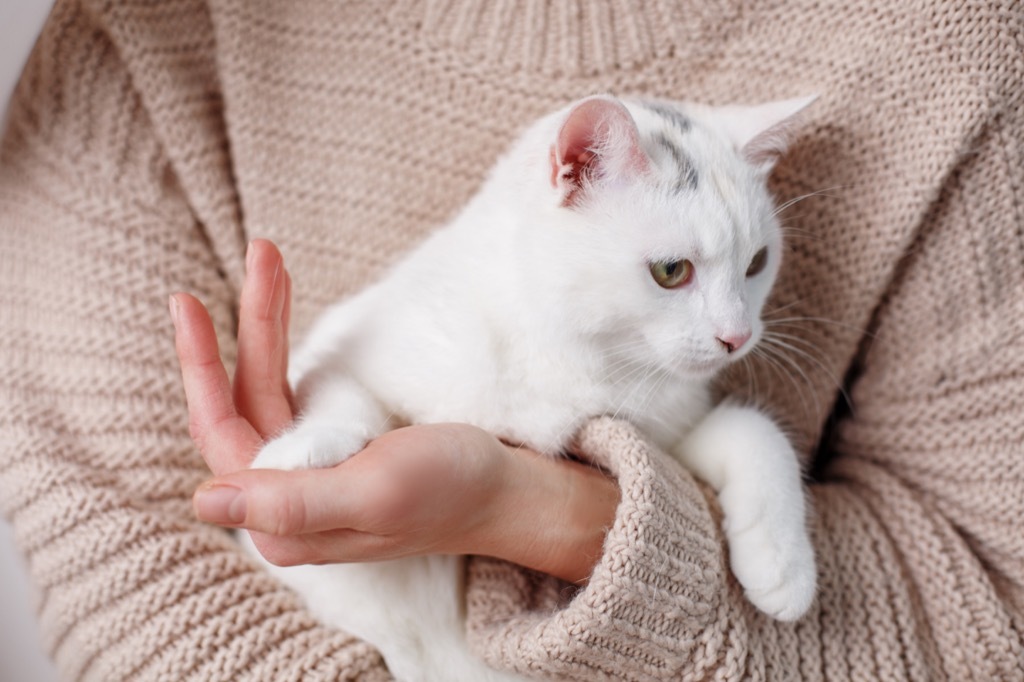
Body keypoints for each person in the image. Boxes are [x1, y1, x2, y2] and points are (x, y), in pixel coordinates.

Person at [1, 0, 1021, 680]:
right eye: (674, 269)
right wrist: (336, 433)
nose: (732, 327)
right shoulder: (457, 310)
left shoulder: (949, 45)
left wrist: (525, 509)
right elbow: (131, 560)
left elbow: (988, 603)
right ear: (571, 171)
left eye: (750, 265)